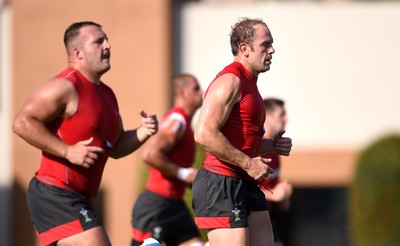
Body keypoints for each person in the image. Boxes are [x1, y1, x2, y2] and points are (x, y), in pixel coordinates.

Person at [12, 21, 158, 246]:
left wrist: (143, 132)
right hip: (54, 192)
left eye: (107, 40)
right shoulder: (64, 86)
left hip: (80, 198)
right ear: (77, 52)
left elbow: (116, 147)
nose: (108, 46)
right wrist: (67, 151)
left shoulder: (108, 95)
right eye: (99, 41)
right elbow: (22, 122)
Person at [192, 17, 293, 246]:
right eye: (265, 44)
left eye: (271, 44)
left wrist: (271, 145)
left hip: (244, 182)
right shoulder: (230, 80)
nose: (272, 50)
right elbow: (204, 134)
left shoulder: (252, 85)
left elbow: (241, 141)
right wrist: (249, 164)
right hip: (220, 182)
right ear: (244, 49)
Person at [131, 74, 206, 246]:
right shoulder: (177, 121)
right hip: (156, 204)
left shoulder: (185, 124)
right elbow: (149, 154)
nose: (201, 91)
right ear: (182, 93)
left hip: (175, 204)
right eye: (195, 88)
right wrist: (183, 173)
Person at [258, 98, 293, 246]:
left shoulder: (274, 149)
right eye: (282, 114)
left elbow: (271, 186)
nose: (286, 118)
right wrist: (274, 194)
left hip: (266, 215)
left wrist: (283, 196)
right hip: (247, 214)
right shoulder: (257, 147)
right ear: (267, 116)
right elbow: (244, 186)